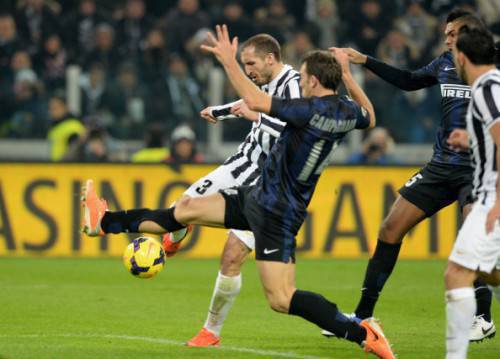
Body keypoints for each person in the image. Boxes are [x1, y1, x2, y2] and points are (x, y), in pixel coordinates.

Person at [81, 25, 396, 359]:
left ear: (314, 82)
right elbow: (371, 117)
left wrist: (228, 61)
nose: (300, 83)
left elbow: (257, 101)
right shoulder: (346, 112)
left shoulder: (308, 110)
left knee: (281, 299)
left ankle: (361, 333)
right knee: (184, 209)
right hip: (258, 196)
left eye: (303, 78)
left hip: (278, 213)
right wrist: (348, 75)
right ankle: (104, 221)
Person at [333, 9, 496, 342]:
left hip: (477, 170)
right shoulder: (443, 63)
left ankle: (483, 317)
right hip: (441, 166)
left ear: (472, 34)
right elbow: (408, 81)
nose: (447, 39)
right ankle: (363, 315)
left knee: (471, 243)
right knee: (390, 228)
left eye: (454, 34)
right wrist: (365, 60)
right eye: (446, 33)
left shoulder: (492, 72)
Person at [165, 33, 301, 347]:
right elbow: (248, 102)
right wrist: (221, 111)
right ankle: (171, 242)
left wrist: (252, 114)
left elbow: (290, 128)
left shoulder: (294, 85)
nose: (248, 70)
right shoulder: (265, 81)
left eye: (250, 64)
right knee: (183, 204)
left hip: (269, 183)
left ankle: (210, 331)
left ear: (270, 59)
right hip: (240, 164)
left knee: (231, 257)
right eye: (243, 64)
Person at [445, 25, 500, 359]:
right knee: (483, 271)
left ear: (462, 57)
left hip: (491, 195)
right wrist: (472, 139)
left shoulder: (485, 89)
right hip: (489, 195)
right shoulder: (494, 85)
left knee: (456, 273)